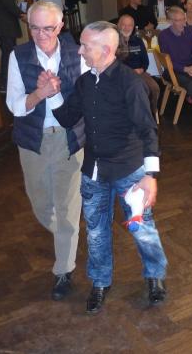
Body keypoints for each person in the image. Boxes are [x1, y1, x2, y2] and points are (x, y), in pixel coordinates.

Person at [52, 21, 167, 314]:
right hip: (94, 170)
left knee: (142, 228)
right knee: (96, 231)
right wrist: (51, 92)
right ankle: (100, 282)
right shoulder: (84, 82)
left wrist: (150, 176)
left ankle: (155, 275)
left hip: (130, 171)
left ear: (105, 50)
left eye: (85, 46)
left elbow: (148, 130)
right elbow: (67, 118)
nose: (80, 51)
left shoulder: (131, 83)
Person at [5, 0, 86, 301]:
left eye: (48, 28)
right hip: (33, 141)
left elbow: (87, 96)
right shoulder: (19, 56)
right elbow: (15, 105)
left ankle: (63, 269)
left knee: (67, 207)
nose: (41, 35)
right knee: (41, 205)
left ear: (61, 25)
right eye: (34, 28)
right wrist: (40, 93)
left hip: (69, 138)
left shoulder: (77, 54)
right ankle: (67, 235)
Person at [117, 14, 159, 116]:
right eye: (124, 25)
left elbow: (145, 60)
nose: (127, 28)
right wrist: (130, 71)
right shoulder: (115, 42)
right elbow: (115, 63)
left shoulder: (138, 41)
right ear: (118, 25)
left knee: (154, 88)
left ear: (133, 27)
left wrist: (142, 69)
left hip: (139, 72)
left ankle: (151, 112)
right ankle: (137, 114)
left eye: (130, 25)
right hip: (122, 75)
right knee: (140, 89)